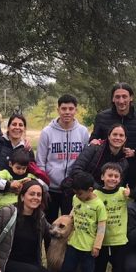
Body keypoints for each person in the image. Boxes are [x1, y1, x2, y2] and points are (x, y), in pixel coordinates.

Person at [36, 94, 90, 226]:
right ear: (58, 110)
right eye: (64, 108)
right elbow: (40, 162)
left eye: (71, 109)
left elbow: (86, 159)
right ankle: (49, 247)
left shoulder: (83, 132)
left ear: (75, 110)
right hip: (51, 189)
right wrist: (44, 186)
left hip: (73, 189)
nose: (67, 112)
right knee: (49, 225)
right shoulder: (47, 132)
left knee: (71, 224)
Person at [53, 171, 107, 272]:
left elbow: (101, 228)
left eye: (80, 193)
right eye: (75, 193)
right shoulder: (76, 198)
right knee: (67, 269)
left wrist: (97, 246)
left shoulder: (99, 206)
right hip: (73, 243)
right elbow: (74, 210)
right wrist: (70, 217)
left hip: (88, 247)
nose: (77, 196)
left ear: (90, 190)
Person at [91, 82, 136, 189]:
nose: (121, 101)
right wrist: (94, 142)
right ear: (113, 99)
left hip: (130, 170)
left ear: (131, 98)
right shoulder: (102, 117)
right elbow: (94, 139)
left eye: (124, 96)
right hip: (105, 170)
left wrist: (135, 152)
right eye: (117, 97)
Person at [63, 125, 130, 216]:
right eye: (115, 134)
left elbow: (118, 185)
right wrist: (97, 188)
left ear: (125, 139)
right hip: (81, 193)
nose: (118, 138)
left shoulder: (124, 161)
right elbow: (76, 170)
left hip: (103, 200)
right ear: (108, 136)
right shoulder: (94, 148)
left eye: (121, 135)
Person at [94, 162, 130, 272]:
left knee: (118, 265)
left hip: (119, 238)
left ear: (120, 179)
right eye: (110, 175)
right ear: (102, 177)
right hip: (101, 238)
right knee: (100, 264)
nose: (113, 179)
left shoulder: (123, 192)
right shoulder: (96, 194)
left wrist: (131, 193)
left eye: (116, 176)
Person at [0, 112, 33, 178]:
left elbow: (32, 171)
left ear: (24, 129)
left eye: (20, 125)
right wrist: (8, 184)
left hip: (22, 184)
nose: (17, 127)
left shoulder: (27, 148)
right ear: (8, 127)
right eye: (14, 124)